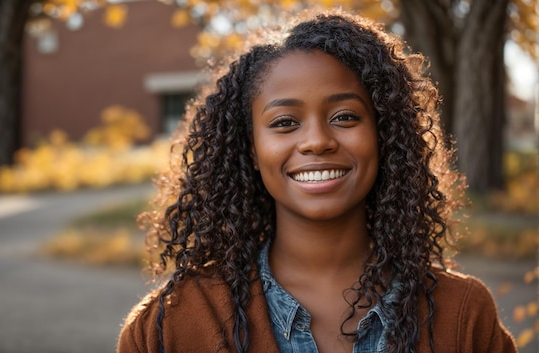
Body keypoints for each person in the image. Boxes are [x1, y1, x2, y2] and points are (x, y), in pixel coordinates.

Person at [117, 9, 518, 353]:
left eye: (345, 116)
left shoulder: (464, 316)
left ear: (384, 135)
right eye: (284, 123)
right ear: (252, 150)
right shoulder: (171, 325)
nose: (317, 142)